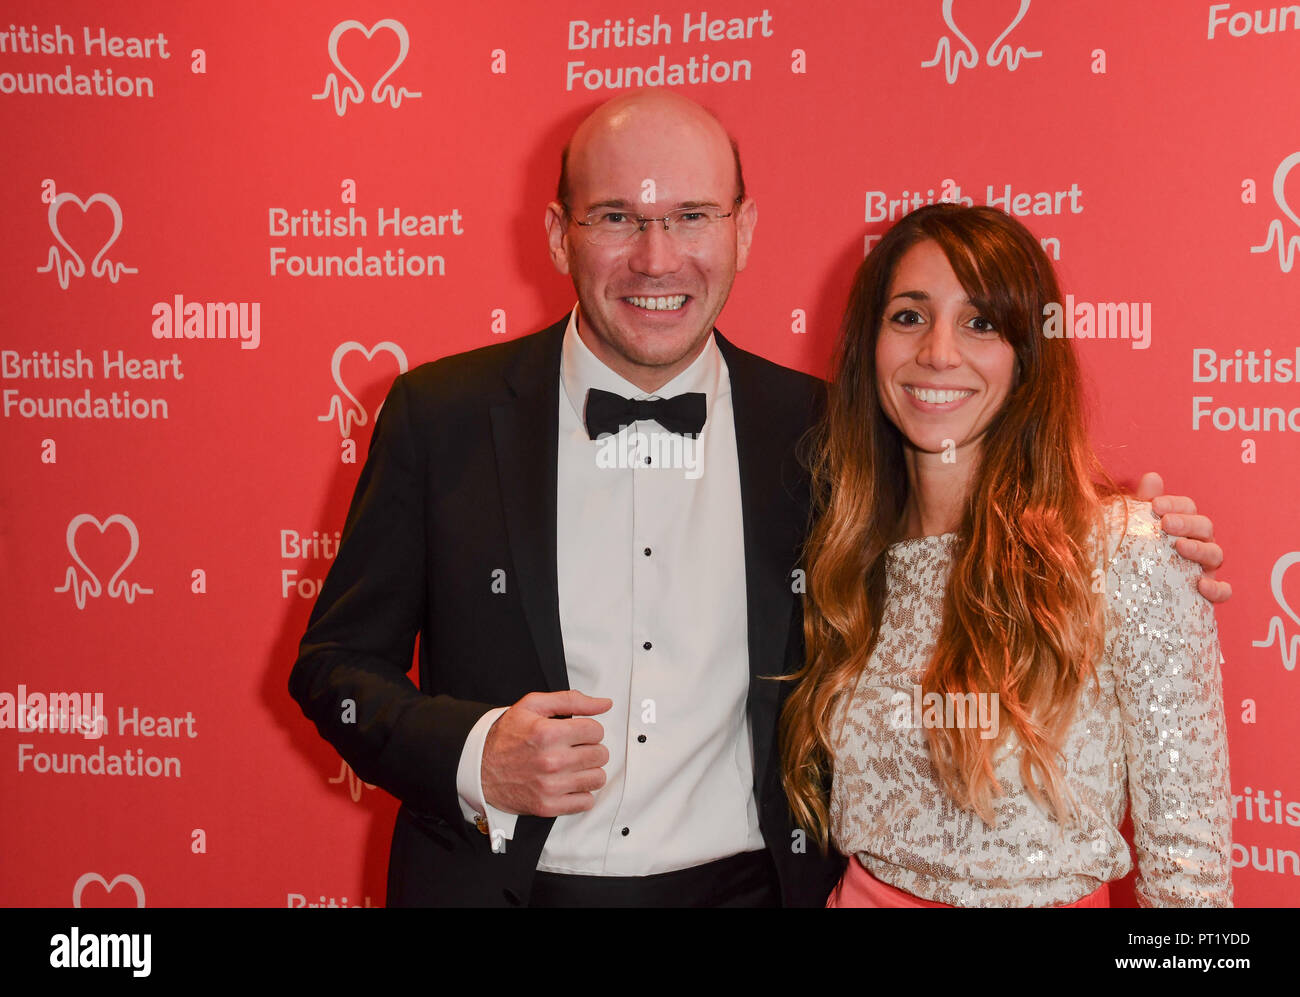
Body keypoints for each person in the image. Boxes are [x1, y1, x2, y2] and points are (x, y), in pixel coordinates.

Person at [289, 91, 1228, 907]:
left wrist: (1131, 534)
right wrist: (472, 753)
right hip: (494, 890)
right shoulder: (438, 415)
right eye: (617, 216)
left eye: (692, 215)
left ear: (742, 230)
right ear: (557, 232)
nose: (657, 258)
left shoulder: (825, 437)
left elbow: (986, 506)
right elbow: (333, 668)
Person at [780, 203, 1233, 907]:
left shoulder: (1127, 554)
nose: (938, 351)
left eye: (981, 322)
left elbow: (1190, 875)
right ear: (869, 345)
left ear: (1028, 356)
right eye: (908, 315)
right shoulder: (848, 559)